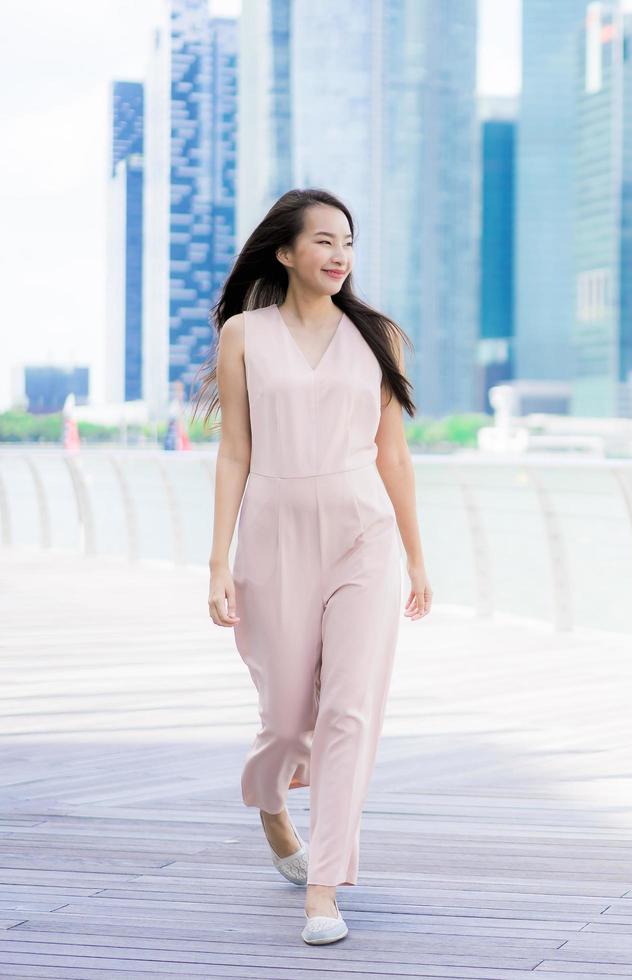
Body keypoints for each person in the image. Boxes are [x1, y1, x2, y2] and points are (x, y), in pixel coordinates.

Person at [193, 188, 432, 945]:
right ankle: (271, 800)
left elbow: (393, 455)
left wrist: (418, 558)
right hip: (273, 532)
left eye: (349, 244)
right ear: (286, 252)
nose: (339, 255)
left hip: (363, 532)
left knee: (349, 711)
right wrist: (217, 561)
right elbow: (235, 451)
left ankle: (323, 889)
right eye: (324, 241)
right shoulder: (243, 334)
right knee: (289, 717)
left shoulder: (380, 337)